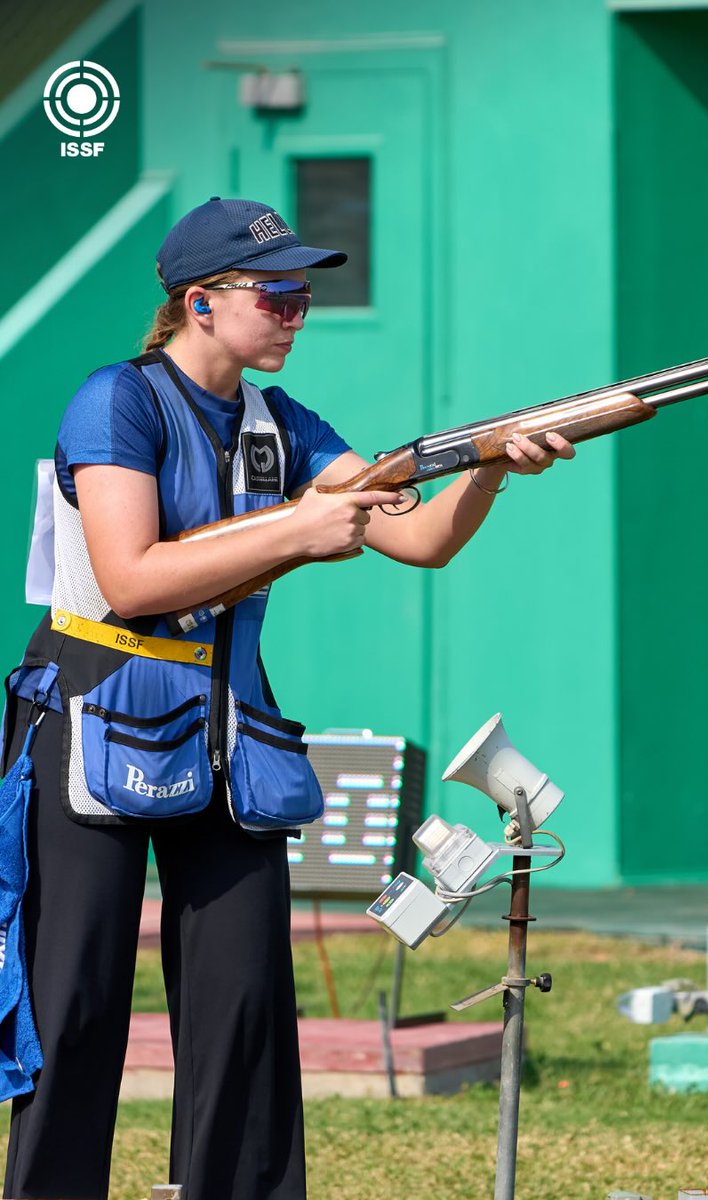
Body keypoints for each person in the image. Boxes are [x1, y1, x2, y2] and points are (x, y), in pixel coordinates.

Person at [1, 197, 574, 1200]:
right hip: (91, 714)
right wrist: (299, 533)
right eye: (277, 295)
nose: (296, 314)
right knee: (76, 998)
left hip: (228, 732)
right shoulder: (117, 402)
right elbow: (131, 580)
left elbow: (421, 539)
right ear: (200, 304)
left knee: (248, 1008)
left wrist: (489, 468)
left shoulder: (286, 425)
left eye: (303, 295)